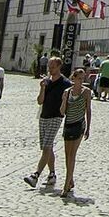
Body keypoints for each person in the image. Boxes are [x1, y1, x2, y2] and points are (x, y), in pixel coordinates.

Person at [25, 56, 69, 189]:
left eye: (53, 67)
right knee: (47, 147)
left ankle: (35, 175)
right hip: (44, 115)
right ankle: (52, 174)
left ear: (59, 67)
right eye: (49, 67)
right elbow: (40, 101)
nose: (50, 69)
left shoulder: (65, 83)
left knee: (46, 146)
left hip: (56, 117)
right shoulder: (47, 82)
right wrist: (42, 88)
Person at [59, 66, 91, 199]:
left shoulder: (86, 92)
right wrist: (65, 99)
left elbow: (88, 110)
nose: (81, 81)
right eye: (79, 78)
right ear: (74, 78)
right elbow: (62, 111)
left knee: (72, 154)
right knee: (67, 155)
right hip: (68, 124)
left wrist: (88, 127)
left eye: (83, 78)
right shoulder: (67, 92)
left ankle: (66, 185)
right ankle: (70, 179)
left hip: (79, 125)